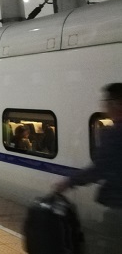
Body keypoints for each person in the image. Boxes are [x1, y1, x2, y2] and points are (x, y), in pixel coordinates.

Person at [54, 83, 122, 253]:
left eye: (106, 102)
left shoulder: (113, 134)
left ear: (117, 104)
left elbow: (99, 169)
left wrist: (68, 183)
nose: (104, 106)